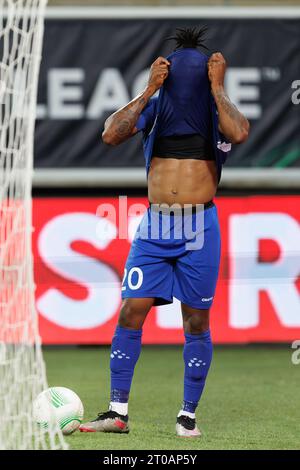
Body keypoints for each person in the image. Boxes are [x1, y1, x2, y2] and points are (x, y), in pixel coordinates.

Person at [80, 27, 249, 437]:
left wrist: (218, 86)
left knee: (195, 320)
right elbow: (110, 134)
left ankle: (187, 414)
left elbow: (239, 132)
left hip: (199, 224)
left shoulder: (216, 110)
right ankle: (117, 413)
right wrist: (146, 90)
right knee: (131, 310)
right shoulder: (155, 107)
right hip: (155, 224)